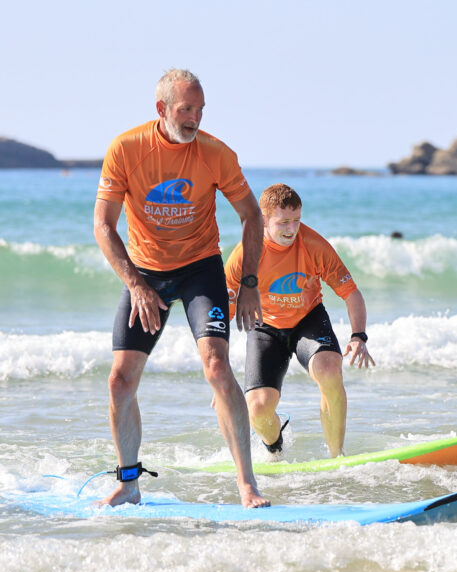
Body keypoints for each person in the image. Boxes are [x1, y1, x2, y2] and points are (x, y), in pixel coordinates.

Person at [93, 69, 269, 508]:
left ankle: (246, 483)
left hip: (199, 269)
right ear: (162, 109)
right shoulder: (127, 149)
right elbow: (103, 225)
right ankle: (129, 484)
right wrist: (134, 283)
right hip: (146, 273)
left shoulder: (216, 154)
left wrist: (249, 283)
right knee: (119, 381)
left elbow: (252, 215)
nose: (195, 118)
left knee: (216, 366)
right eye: (186, 109)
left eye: (200, 109)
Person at [224, 183, 374, 457]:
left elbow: (351, 293)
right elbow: (225, 310)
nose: (291, 229)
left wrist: (358, 336)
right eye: (283, 222)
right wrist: (219, 372)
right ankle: (275, 446)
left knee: (329, 370)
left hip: (308, 320)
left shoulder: (314, 246)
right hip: (265, 327)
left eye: (296, 220)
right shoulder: (246, 254)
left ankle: (336, 456)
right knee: (257, 409)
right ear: (263, 220)